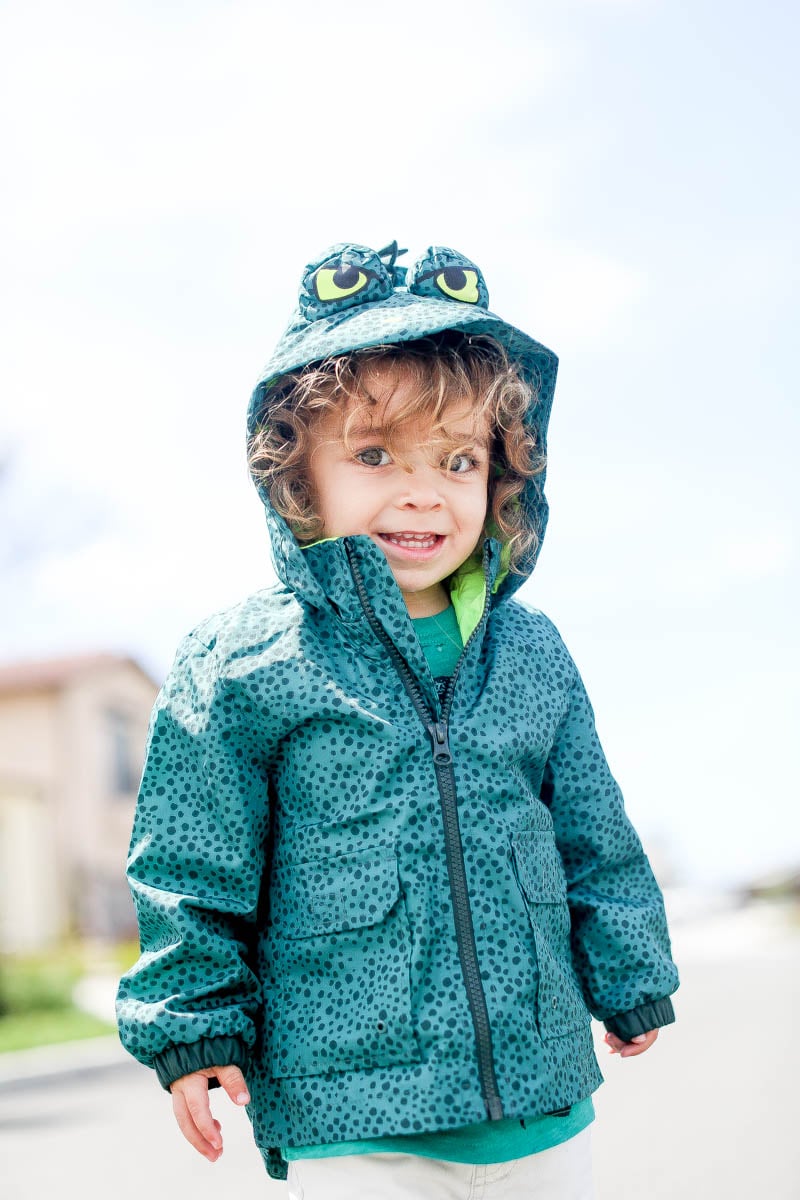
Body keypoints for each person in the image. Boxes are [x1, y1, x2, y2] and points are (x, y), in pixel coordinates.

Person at [117, 241, 679, 1199]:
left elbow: (593, 829)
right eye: (375, 455)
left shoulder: (530, 648)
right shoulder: (246, 660)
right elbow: (189, 862)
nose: (422, 489)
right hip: (353, 1117)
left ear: (501, 479)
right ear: (298, 479)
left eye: (457, 460)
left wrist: (628, 968)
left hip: (542, 1098)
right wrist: (195, 1026)